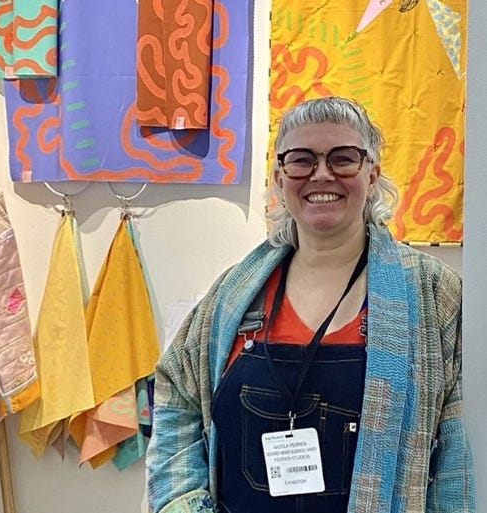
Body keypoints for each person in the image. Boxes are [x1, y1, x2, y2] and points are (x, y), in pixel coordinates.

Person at [145, 96, 475, 513]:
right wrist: (182, 503)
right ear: (280, 177)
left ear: (372, 174)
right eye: (302, 160)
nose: (322, 174)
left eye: (343, 158)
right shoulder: (233, 295)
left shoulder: (433, 293)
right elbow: (176, 392)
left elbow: (460, 449)